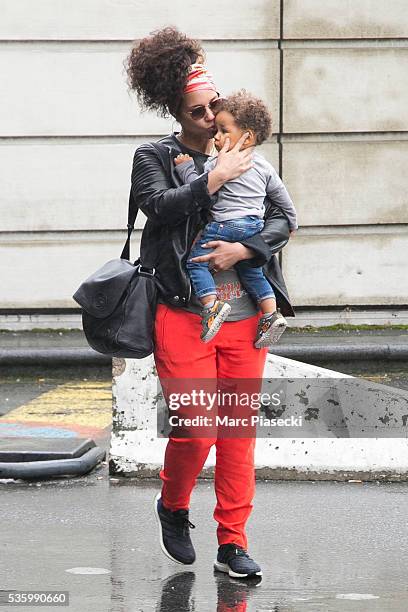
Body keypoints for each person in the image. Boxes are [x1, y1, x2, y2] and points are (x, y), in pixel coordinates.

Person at [125, 26, 295, 579]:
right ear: (177, 113)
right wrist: (212, 178)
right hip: (183, 313)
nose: (208, 118)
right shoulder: (155, 155)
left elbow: (280, 219)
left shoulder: (246, 153)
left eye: (214, 107)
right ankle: (173, 506)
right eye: (197, 111)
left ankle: (233, 542)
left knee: (237, 434)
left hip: (246, 319)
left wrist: (246, 246)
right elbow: (160, 208)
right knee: (197, 425)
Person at [173, 88, 298, 346]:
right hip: (253, 227)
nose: (216, 137)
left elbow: (199, 186)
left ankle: (210, 307)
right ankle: (270, 315)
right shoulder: (262, 165)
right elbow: (280, 195)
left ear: (247, 136)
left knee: (196, 261)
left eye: (223, 131)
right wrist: (292, 221)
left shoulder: (219, 163)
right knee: (252, 270)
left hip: (224, 226)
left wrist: (185, 168)